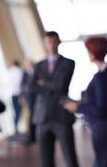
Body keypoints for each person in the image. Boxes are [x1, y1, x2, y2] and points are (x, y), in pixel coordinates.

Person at [63, 37, 107, 167]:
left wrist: (77, 108)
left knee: (104, 162)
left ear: (93, 51)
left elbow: (101, 109)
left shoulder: (101, 77)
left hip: (103, 127)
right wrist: (80, 104)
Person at [30, 31, 79, 167]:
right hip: (42, 117)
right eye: (48, 42)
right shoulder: (39, 65)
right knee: (46, 160)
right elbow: (31, 87)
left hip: (61, 115)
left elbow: (62, 85)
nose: (51, 45)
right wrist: (51, 84)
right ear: (45, 44)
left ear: (59, 42)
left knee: (70, 158)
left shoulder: (69, 63)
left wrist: (43, 83)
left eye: (54, 42)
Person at [19, 58, 36, 142]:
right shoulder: (25, 73)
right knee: (31, 116)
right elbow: (22, 86)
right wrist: (22, 97)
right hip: (29, 97)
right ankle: (32, 135)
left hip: (37, 97)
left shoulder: (37, 71)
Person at [8, 60, 23, 134]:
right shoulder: (18, 71)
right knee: (18, 112)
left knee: (15, 112)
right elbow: (20, 84)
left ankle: (15, 128)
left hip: (12, 94)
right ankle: (16, 129)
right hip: (17, 94)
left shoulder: (10, 71)